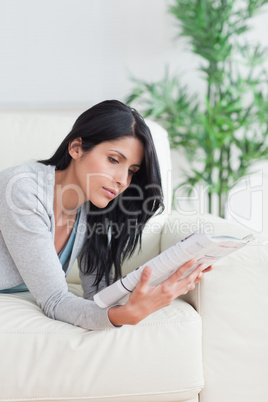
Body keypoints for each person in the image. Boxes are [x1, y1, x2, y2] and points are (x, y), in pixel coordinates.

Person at [0, 100, 212, 330]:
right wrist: (122, 316)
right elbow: (55, 300)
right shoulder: (23, 189)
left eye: (132, 171)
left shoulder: (92, 205)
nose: (122, 180)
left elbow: (97, 294)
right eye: (113, 160)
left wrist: (161, 284)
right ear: (76, 148)